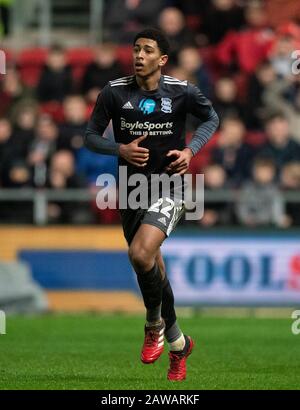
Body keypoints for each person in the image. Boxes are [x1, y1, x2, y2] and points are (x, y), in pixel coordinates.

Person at [84, 28, 219, 381]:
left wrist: (191, 150)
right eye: (135, 49)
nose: (139, 55)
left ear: (162, 59)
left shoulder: (182, 91)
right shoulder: (113, 93)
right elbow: (90, 136)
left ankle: (152, 323)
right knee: (152, 267)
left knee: (141, 255)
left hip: (170, 186)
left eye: (147, 50)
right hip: (131, 190)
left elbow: (212, 118)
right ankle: (179, 345)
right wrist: (120, 149)